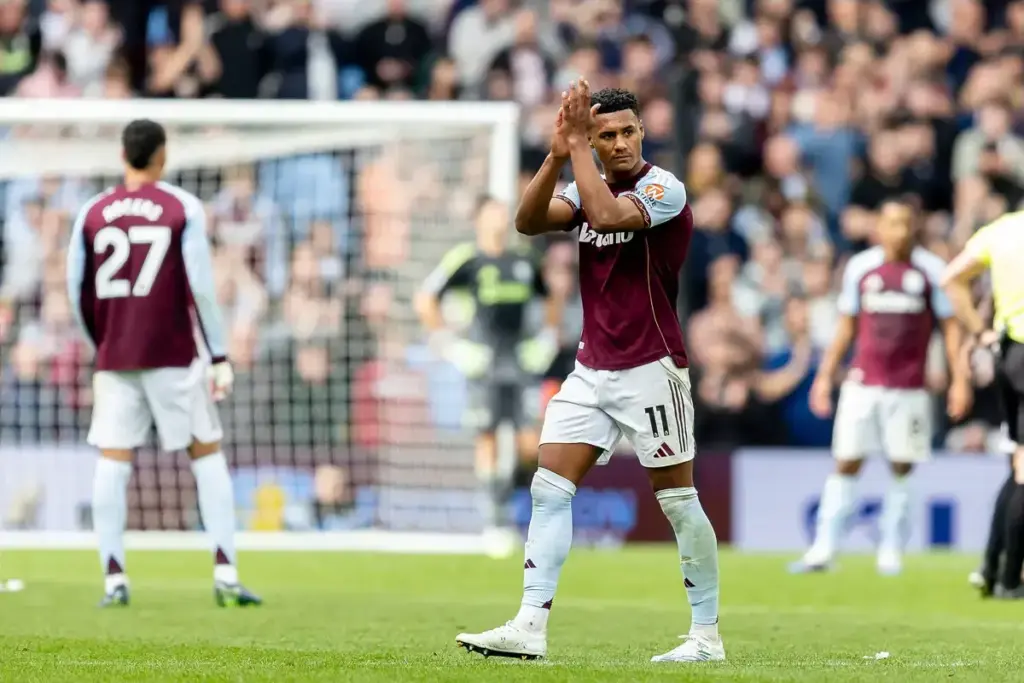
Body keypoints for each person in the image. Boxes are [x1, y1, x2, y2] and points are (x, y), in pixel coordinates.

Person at [455, 82, 724, 663]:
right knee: (548, 488)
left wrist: (577, 145)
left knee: (678, 500)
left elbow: (606, 213)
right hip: (591, 368)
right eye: (607, 135)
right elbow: (528, 222)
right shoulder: (580, 183)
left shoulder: (662, 188)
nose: (621, 142)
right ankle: (530, 624)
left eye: (629, 131)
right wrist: (555, 153)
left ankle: (706, 636)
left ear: (642, 133)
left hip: (652, 366)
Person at [65, 119, 261, 608]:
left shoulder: (92, 212)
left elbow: (75, 288)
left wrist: (101, 341)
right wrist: (217, 354)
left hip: (115, 354)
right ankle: (226, 573)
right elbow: (200, 286)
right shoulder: (180, 207)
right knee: (206, 452)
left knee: (113, 460)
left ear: (122, 153)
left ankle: (113, 578)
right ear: (162, 156)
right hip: (173, 353)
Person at [791, 198, 971, 577]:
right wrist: (824, 376)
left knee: (902, 466)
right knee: (846, 461)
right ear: (880, 228)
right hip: (863, 383)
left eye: (906, 223)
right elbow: (846, 326)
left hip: (909, 388)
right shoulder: (861, 266)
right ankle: (823, 549)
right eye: (892, 223)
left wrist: (959, 380)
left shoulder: (931, 270)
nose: (900, 231)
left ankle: (891, 550)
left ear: (916, 227)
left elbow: (951, 327)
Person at [415, 196, 560, 542]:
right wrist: (449, 345)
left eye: (502, 214)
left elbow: (551, 296)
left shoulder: (525, 259)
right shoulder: (467, 260)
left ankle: (530, 507)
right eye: (493, 214)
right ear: (479, 220)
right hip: (484, 359)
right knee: (488, 435)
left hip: (521, 358)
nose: (499, 220)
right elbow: (426, 298)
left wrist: (548, 337)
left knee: (530, 443)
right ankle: (495, 520)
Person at [942, 208, 1024, 598]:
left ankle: (992, 569)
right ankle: (1011, 579)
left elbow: (952, 279)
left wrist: (982, 333)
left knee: (1019, 462)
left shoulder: (1001, 232)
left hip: (1010, 354)